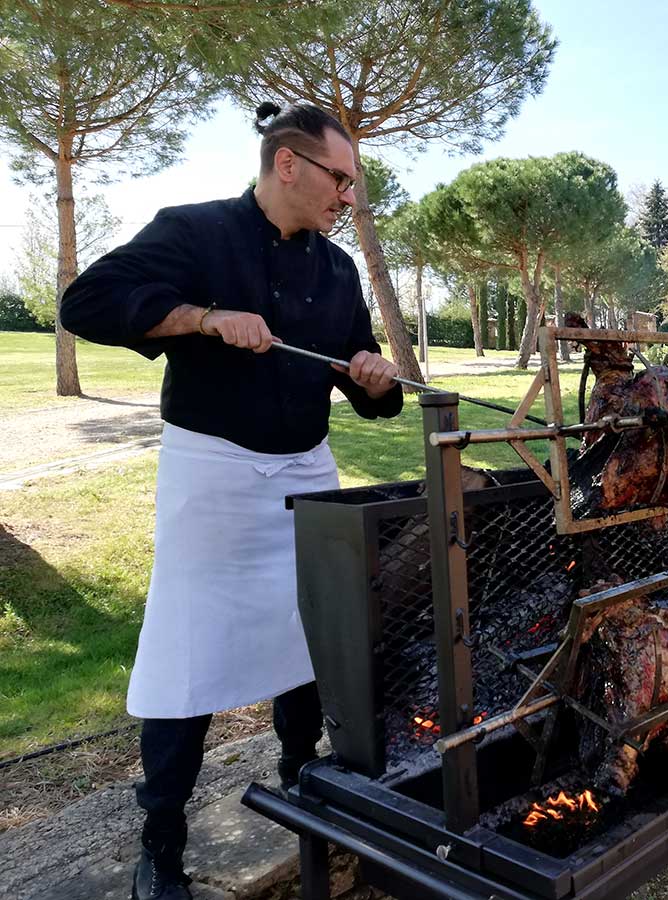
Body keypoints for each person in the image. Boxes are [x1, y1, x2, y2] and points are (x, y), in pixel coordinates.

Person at [60, 102, 405, 900]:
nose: (347, 197)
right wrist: (203, 319)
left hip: (306, 471)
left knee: (310, 637)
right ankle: (163, 843)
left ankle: (304, 785)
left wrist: (373, 377)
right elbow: (86, 303)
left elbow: (364, 382)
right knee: (188, 657)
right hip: (212, 474)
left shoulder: (337, 269)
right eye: (339, 177)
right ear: (288, 163)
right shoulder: (194, 231)